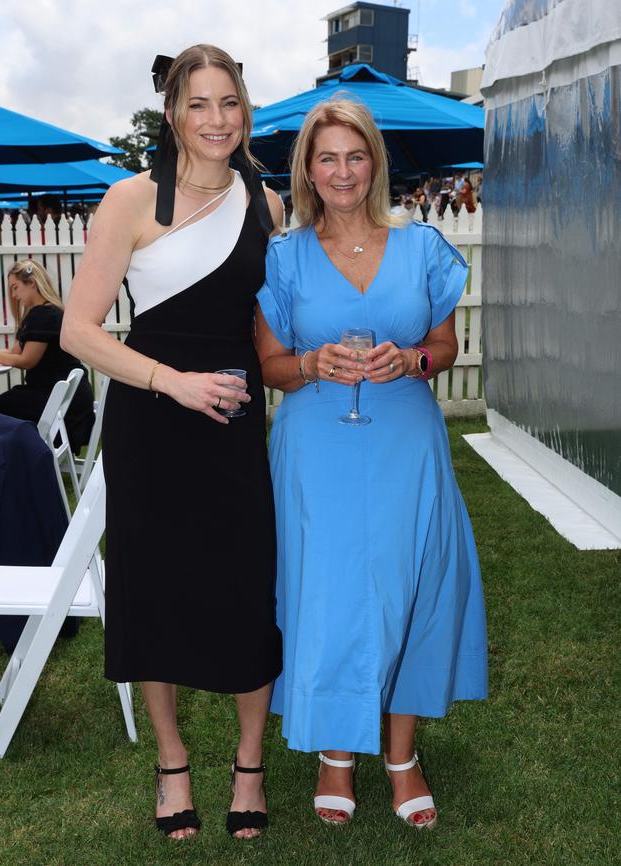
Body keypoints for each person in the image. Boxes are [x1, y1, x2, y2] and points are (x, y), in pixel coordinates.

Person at [61, 44, 283, 841]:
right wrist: (173, 381)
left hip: (232, 425)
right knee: (153, 590)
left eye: (230, 104)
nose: (217, 120)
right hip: (152, 423)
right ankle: (172, 761)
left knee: (245, 586)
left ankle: (251, 763)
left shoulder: (267, 203)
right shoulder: (129, 201)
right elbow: (80, 331)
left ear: (244, 111)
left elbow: (267, 326)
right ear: (173, 113)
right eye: (200, 104)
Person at [255, 98, 487, 830]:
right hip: (315, 445)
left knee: (409, 586)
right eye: (327, 158)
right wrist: (310, 361)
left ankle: (401, 756)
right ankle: (335, 754)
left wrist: (412, 358)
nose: (343, 171)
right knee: (325, 594)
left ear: (375, 163)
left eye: (356, 156)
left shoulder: (422, 247)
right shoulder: (283, 255)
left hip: (402, 442)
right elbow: (269, 364)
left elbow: (443, 349)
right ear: (308, 171)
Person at [0, 260, 94, 455]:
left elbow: (27, 360)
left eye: (15, 288)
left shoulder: (44, 315)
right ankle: (5, 462)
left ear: (32, 283)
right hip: (62, 397)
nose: (13, 295)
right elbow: (14, 353)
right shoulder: (44, 313)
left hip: (57, 402)